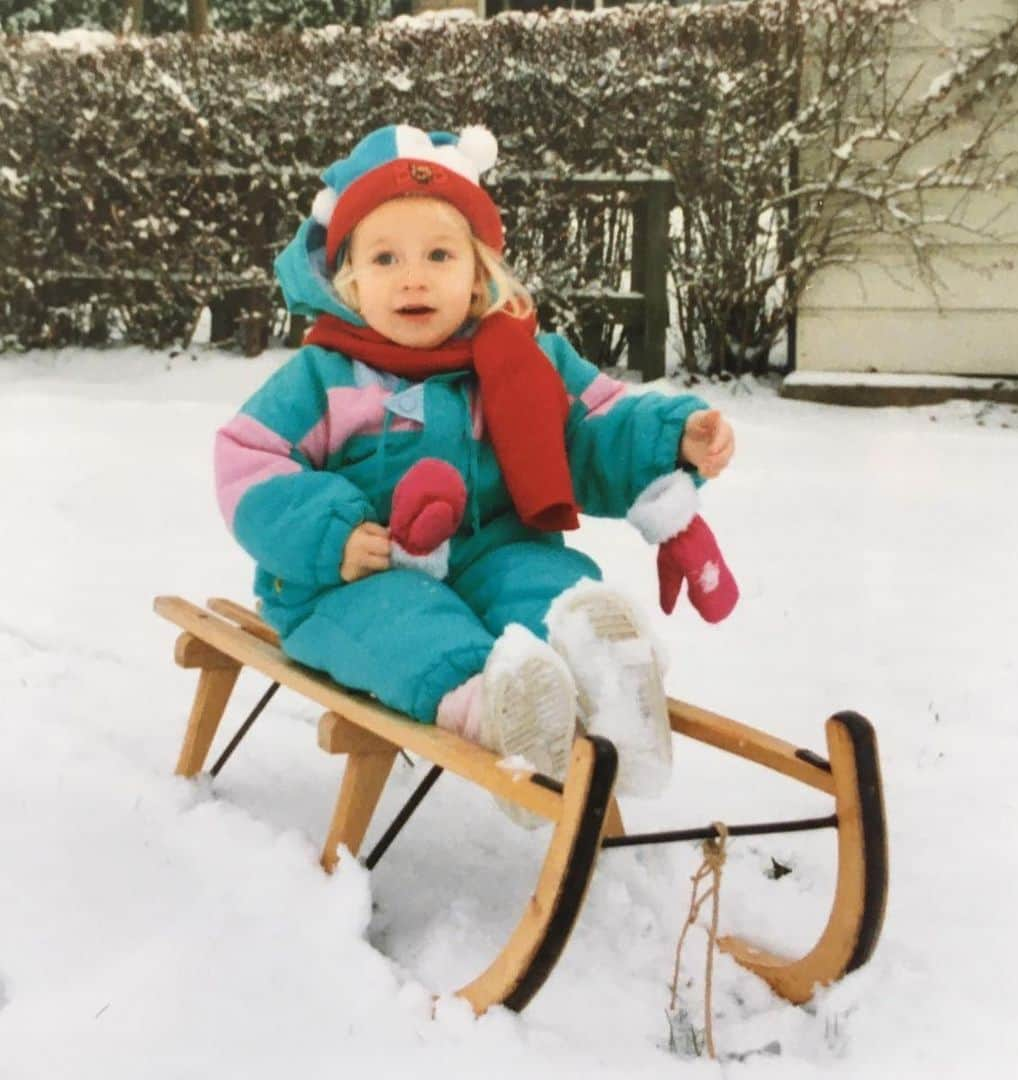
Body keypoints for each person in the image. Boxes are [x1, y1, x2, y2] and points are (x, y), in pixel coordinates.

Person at [214, 124, 737, 823]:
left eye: (438, 254)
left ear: (476, 275)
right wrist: (334, 534)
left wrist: (672, 438)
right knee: (408, 627)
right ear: (349, 283)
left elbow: (594, 427)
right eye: (385, 258)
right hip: (353, 581)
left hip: (496, 553)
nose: (414, 275)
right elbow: (249, 460)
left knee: (549, 589)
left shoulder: (523, 360)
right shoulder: (324, 377)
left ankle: (609, 675)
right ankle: (503, 713)